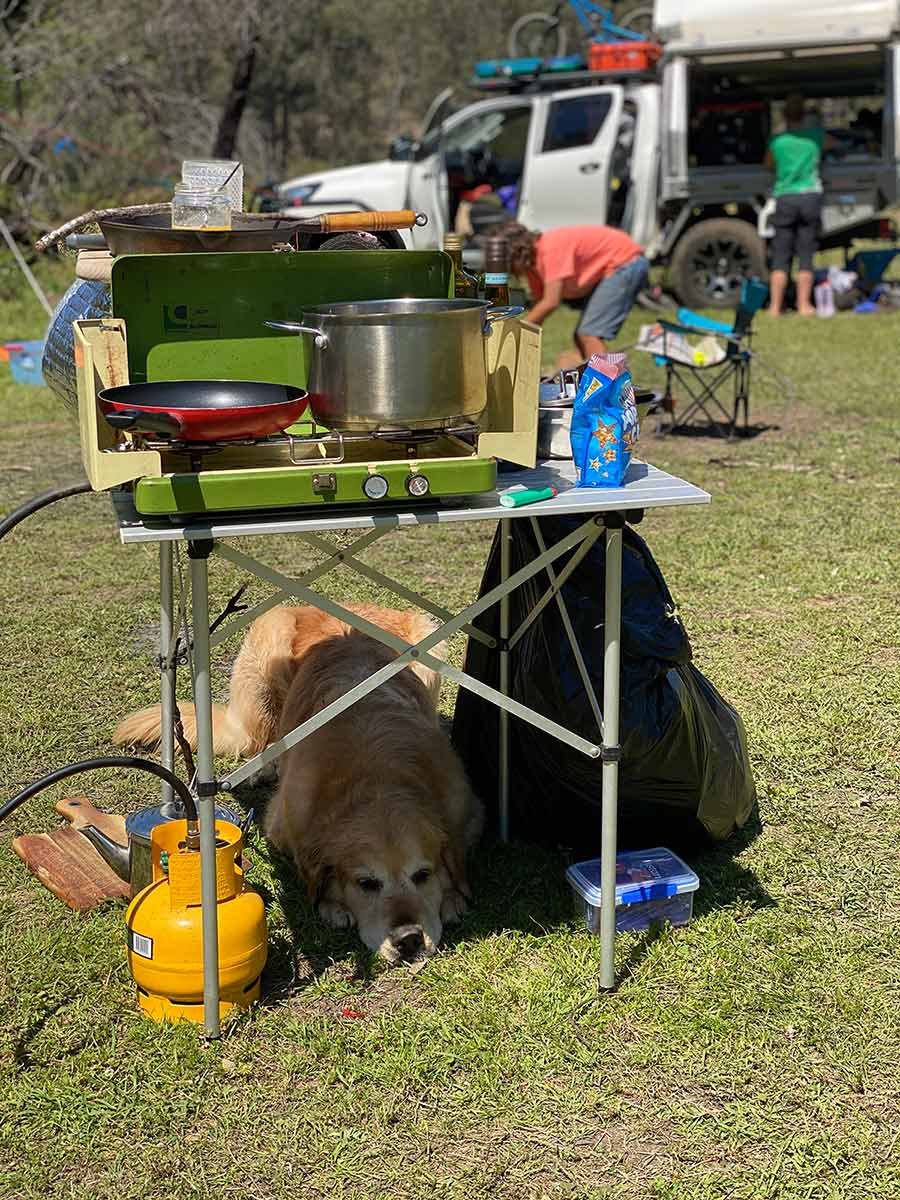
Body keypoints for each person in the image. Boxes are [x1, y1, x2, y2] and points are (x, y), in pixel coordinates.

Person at [502, 222, 649, 366]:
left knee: (589, 334)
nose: (510, 271)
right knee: (581, 338)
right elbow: (538, 308)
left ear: (517, 253)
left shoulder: (550, 249)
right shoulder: (533, 265)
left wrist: (513, 332)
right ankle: (594, 374)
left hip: (625, 261)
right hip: (615, 265)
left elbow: (551, 302)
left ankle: (606, 379)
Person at [765, 93, 834, 317]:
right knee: (805, 254)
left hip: (785, 197)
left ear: (784, 115)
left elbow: (768, 165)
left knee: (781, 254)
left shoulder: (777, 141)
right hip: (810, 197)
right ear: (804, 115)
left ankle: (775, 307)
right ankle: (804, 305)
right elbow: (835, 144)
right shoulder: (815, 136)